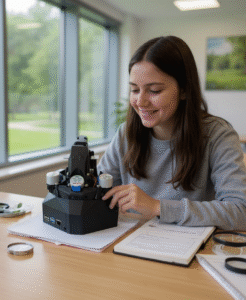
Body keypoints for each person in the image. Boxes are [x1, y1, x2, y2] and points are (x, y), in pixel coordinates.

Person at [98, 36, 246, 230]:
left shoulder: (218, 135)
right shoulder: (125, 134)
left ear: (184, 90)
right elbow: (99, 189)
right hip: (131, 243)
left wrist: (158, 207)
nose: (140, 102)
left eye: (154, 91)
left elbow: (240, 212)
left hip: (189, 252)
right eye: (134, 90)